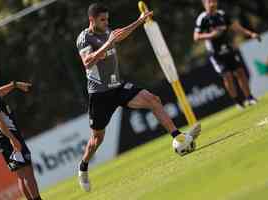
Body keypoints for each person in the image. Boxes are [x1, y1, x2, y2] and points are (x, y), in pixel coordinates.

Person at [76, 3, 201, 192]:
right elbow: (87, 62)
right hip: (100, 95)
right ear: (91, 20)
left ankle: (179, 137)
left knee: (153, 100)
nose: (106, 22)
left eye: (107, 19)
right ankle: (83, 166)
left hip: (117, 86)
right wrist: (108, 44)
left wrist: (139, 22)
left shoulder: (106, 30)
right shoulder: (84, 38)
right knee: (97, 139)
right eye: (102, 20)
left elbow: (119, 34)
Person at [0, 62, 42, 200]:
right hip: (7, 135)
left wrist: (14, 85)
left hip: (4, 136)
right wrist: (13, 139)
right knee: (27, 173)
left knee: (21, 174)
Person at [194, 0, 260, 108]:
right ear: (204, 4)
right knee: (227, 76)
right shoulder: (202, 18)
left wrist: (251, 34)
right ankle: (238, 101)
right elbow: (196, 37)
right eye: (208, 1)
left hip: (228, 49)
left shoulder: (222, 15)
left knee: (240, 72)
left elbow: (236, 27)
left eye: (213, 1)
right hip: (215, 53)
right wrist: (211, 35)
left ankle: (249, 97)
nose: (212, 3)